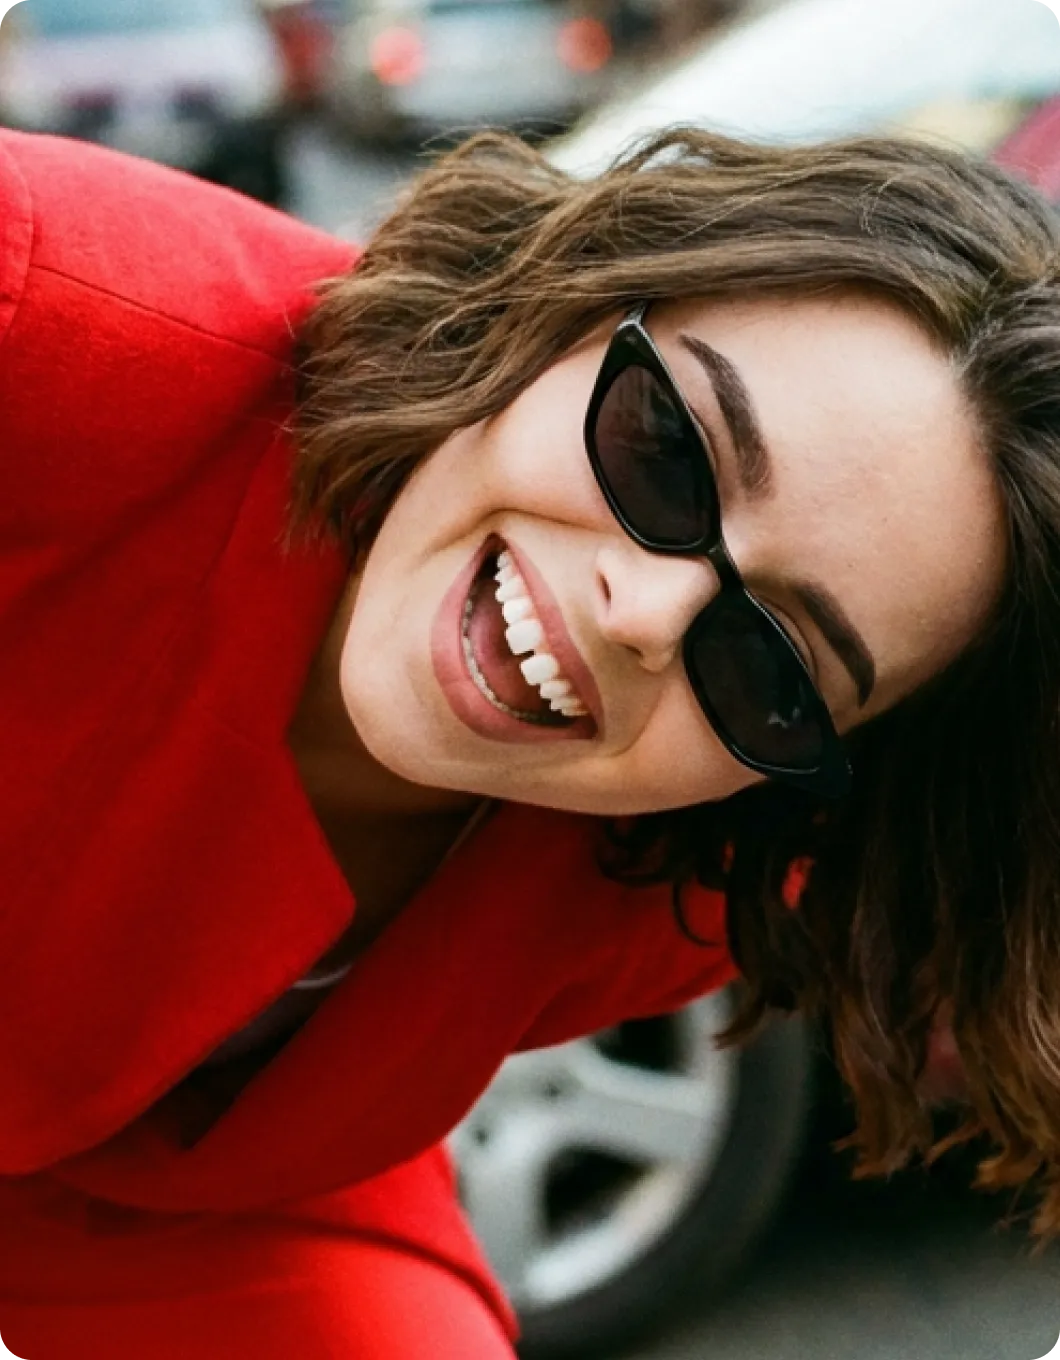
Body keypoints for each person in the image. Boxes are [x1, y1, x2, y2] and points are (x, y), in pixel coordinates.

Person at [0, 120, 1059, 1358]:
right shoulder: (52, 312)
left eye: (772, 659)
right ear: (576, 297)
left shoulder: (703, 856)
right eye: (667, 451)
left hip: (146, 1214)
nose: (646, 614)